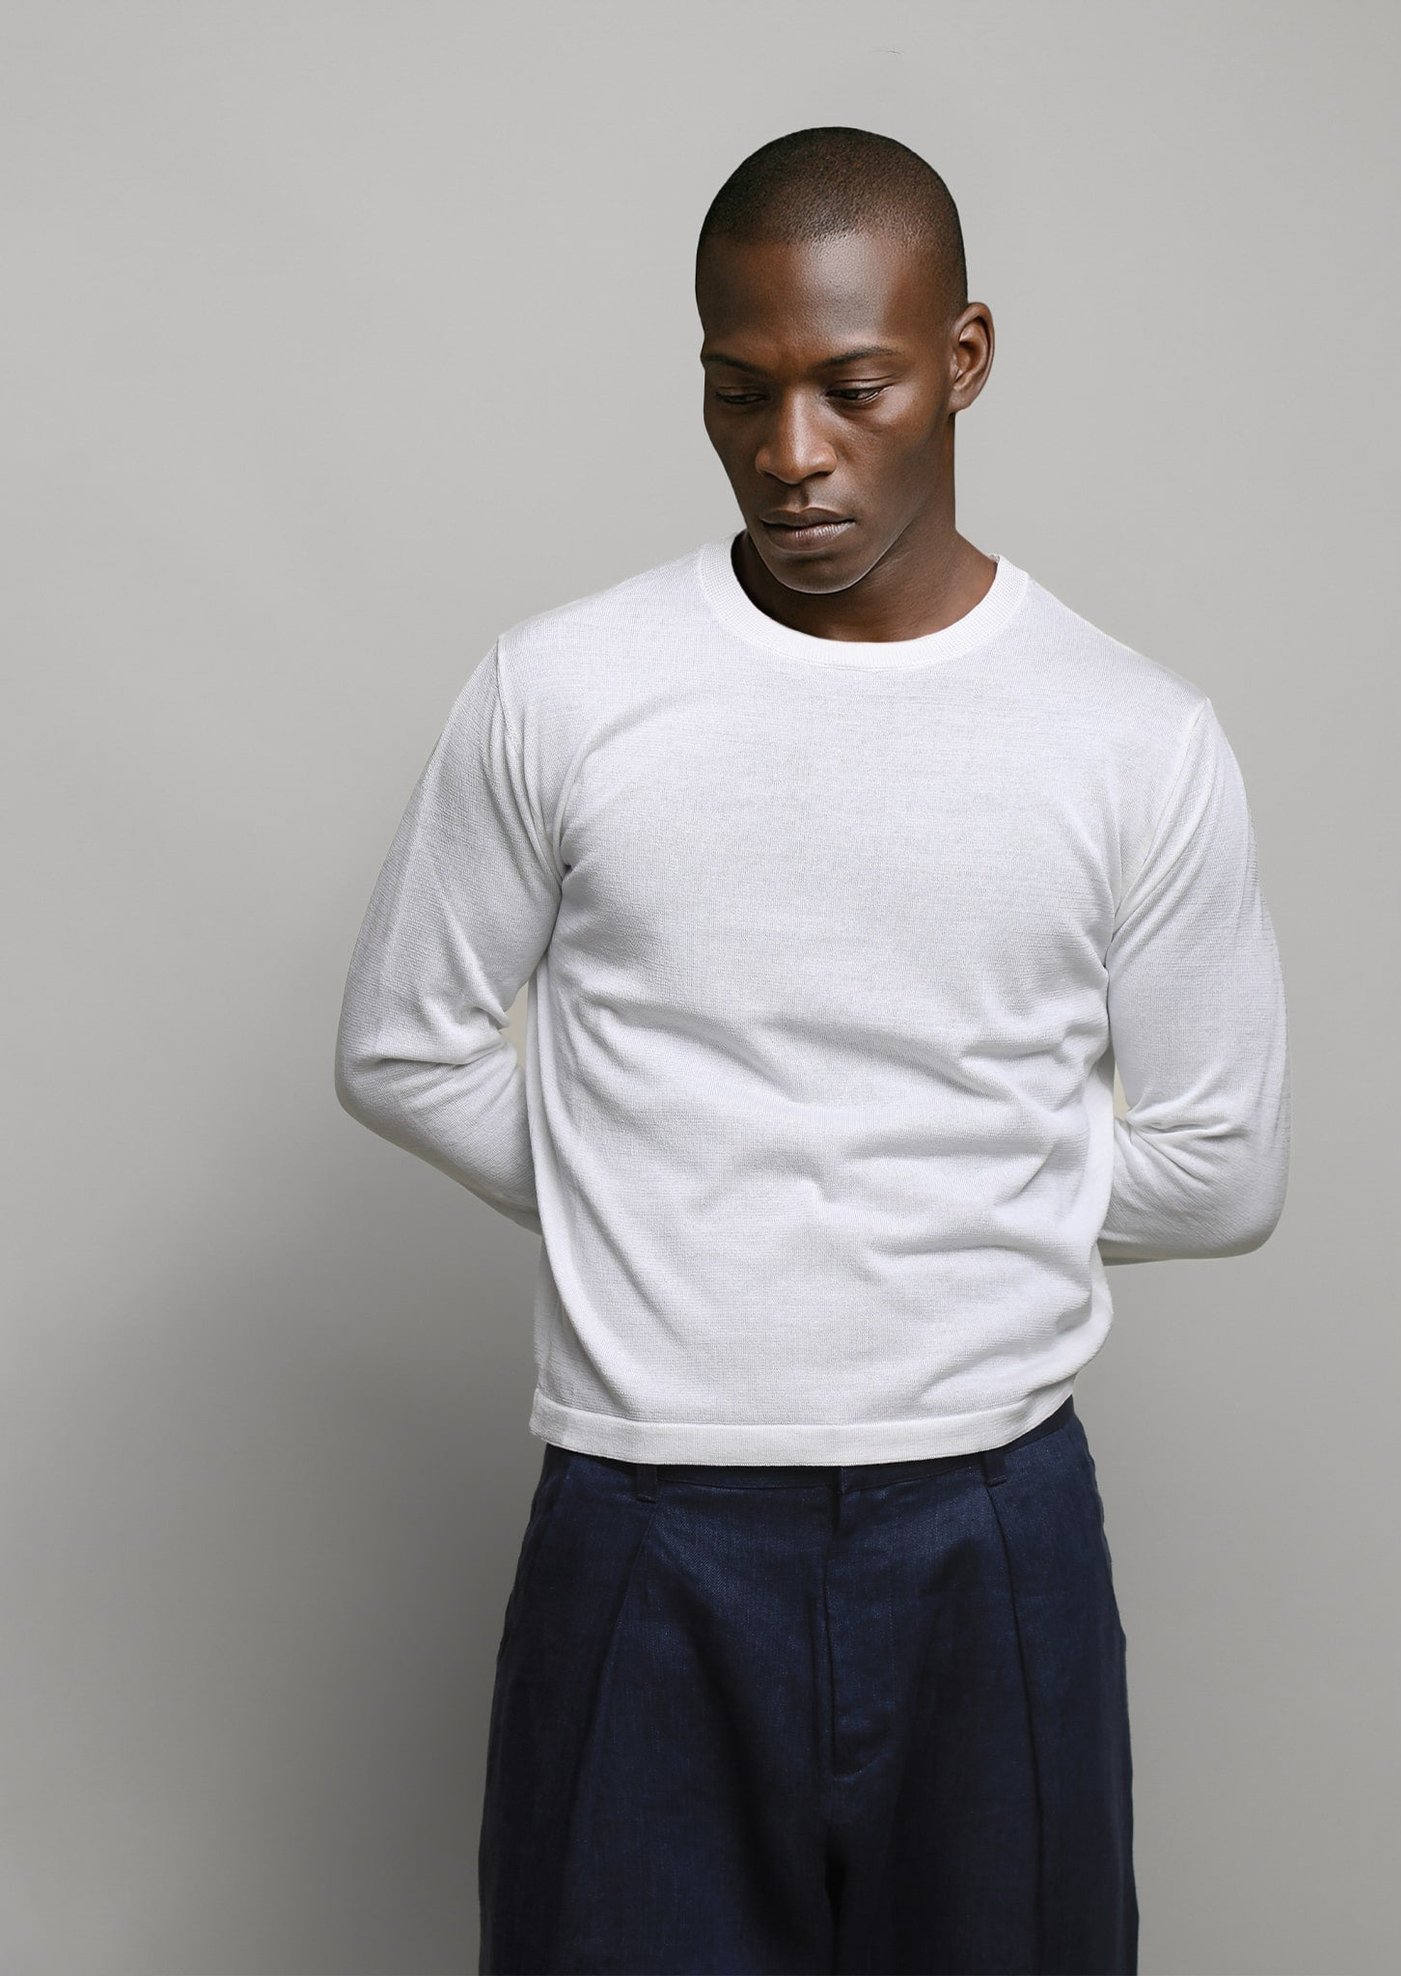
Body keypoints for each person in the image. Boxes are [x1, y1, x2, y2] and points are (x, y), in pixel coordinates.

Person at [334, 125, 1290, 1976]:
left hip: (991, 1519)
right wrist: (652, 1184)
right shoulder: (565, 688)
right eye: (738, 391)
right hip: (640, 1515)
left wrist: (922, 1173)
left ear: (964, 358)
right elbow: (402, 1044)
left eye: (854, 389)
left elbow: (1220, 1165)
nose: (792, 453)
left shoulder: (1131, 736)